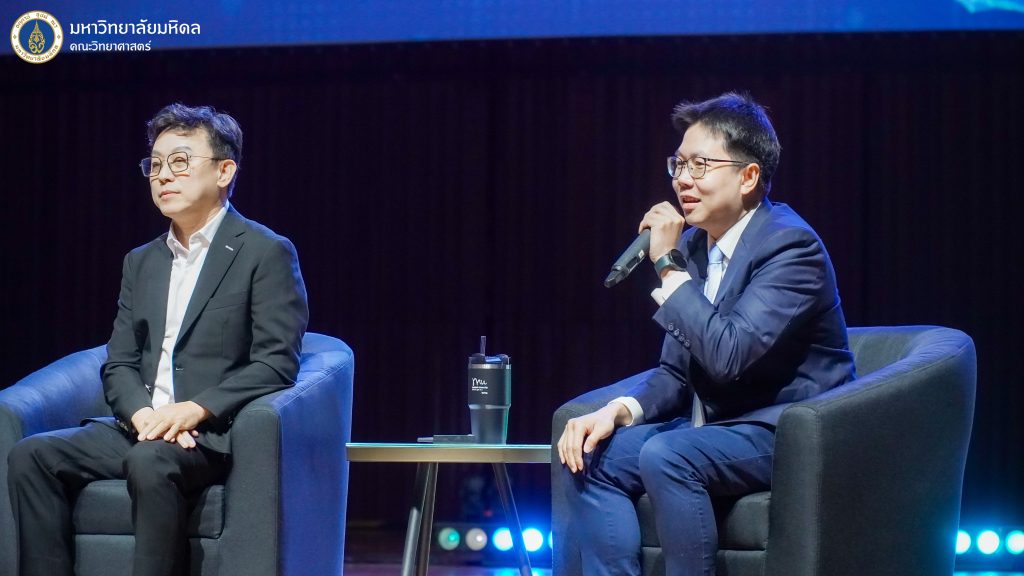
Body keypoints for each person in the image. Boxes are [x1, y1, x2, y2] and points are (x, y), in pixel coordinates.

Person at [556, 92, 856, 575]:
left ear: (748, 176)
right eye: (678, 164)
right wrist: (617, 410)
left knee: (668, 454)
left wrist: (667, 264)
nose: (682, 179)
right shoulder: (696, 246)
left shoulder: (790, 247)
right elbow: (676, 372)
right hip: (719, 428)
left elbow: (728, 354)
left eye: (700, 165)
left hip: (786, 428)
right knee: (590, 456)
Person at [7, 103, 308, 576]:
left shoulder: (264, 251)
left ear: (224, 171)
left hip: (209, 433)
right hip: (141, 425)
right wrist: (143, 415)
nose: (163, 175)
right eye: (156, 164)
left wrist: (195, 409)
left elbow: (275, 363)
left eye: (181, 162)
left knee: (150, 462)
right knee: (32, 455)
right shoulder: (141, 261)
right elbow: (119, 362)